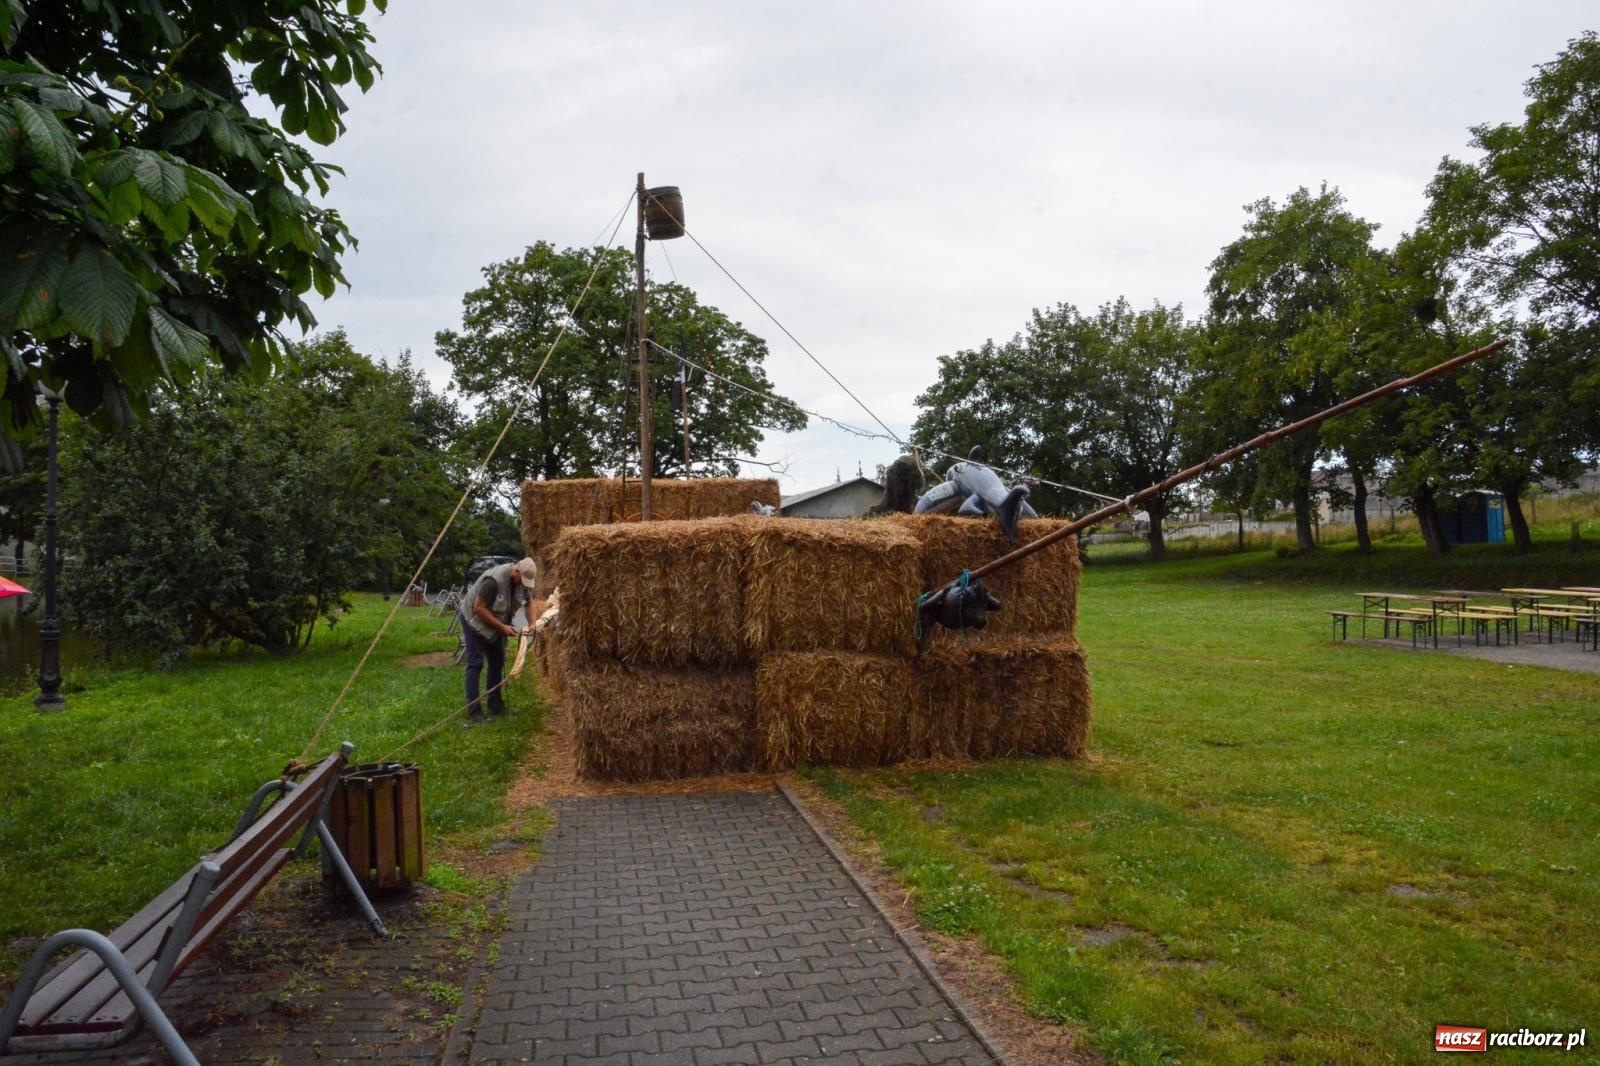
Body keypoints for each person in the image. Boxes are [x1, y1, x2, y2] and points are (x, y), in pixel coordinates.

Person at [460, 556, 539, 723]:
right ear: (516, 571)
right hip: (473, 620)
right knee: (475, 663)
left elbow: (529, 603)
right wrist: (502, 628)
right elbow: (478, 608)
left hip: (495, 623)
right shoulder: (494, 581)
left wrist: (533, 623)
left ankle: (495, 705)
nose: (524, 585)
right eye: (522, 580)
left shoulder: (521, 582)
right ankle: (475, 712)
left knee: (497, 662)